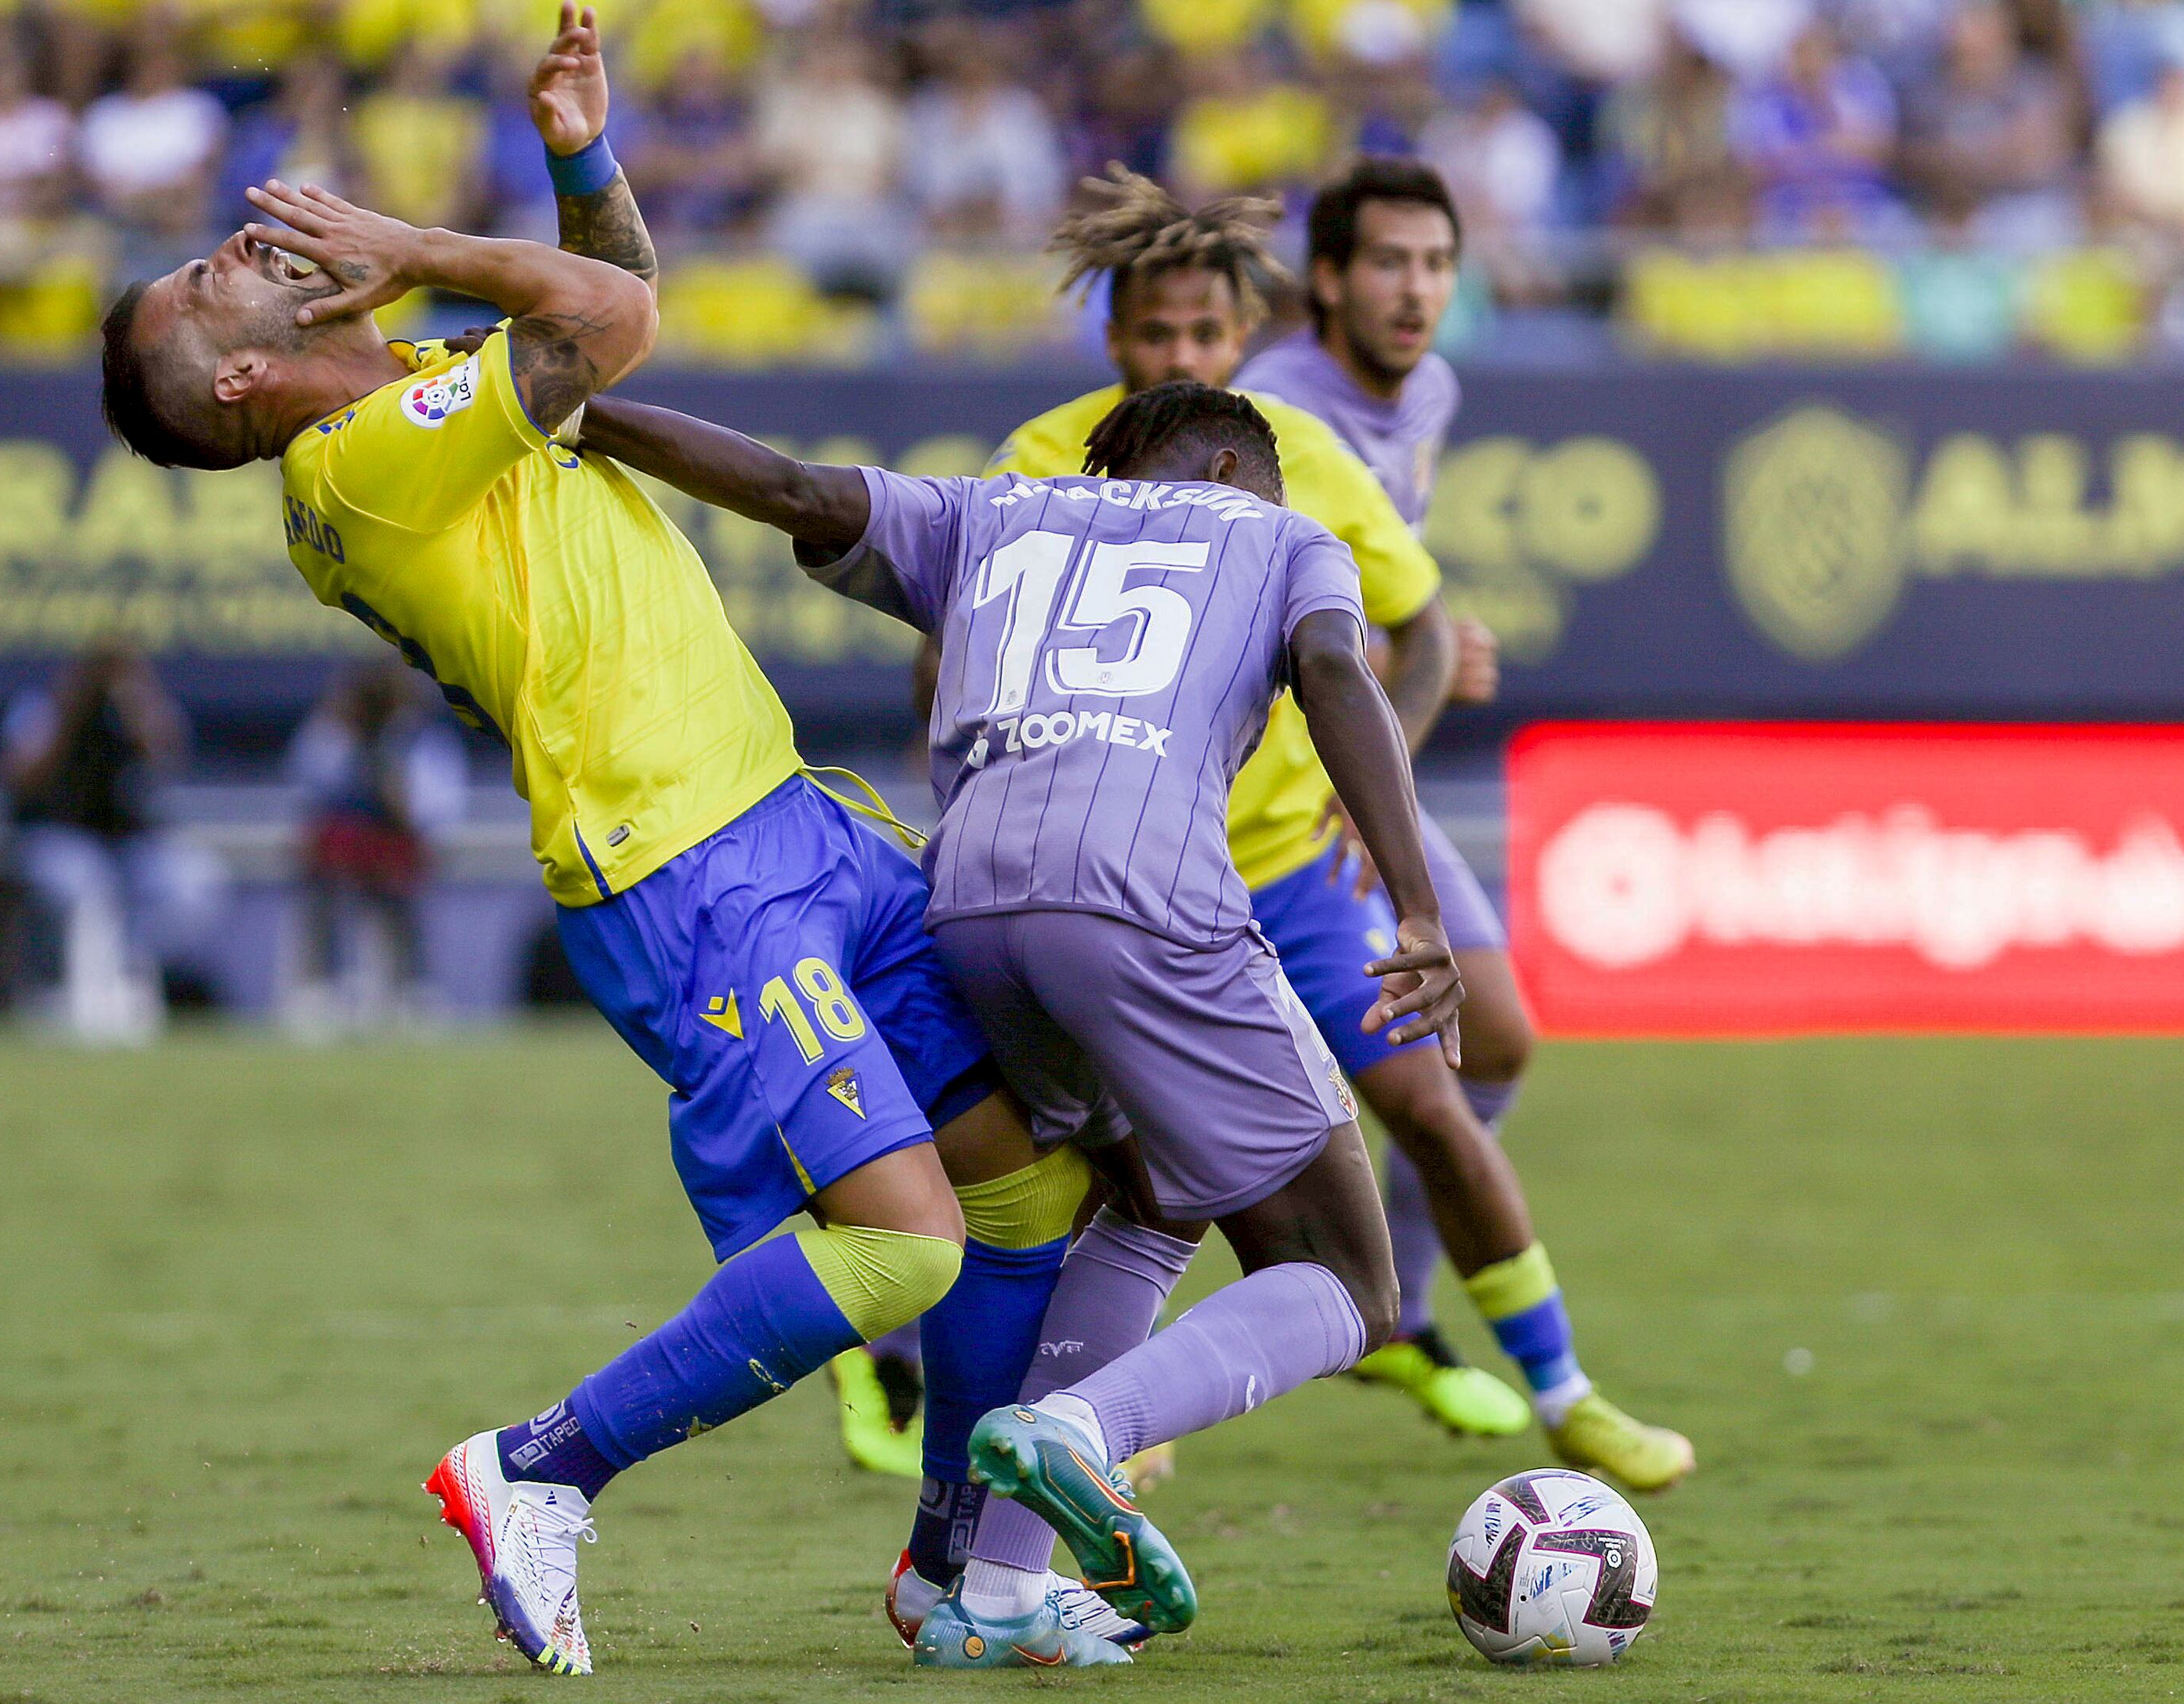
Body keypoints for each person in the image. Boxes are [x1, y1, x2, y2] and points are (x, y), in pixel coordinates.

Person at [94, 6, 1092, 1675]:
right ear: (244, 382)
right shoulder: (361, 464)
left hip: (785, 817)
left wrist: (576, 153)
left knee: (1028, 1180)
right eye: (212, 285)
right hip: (677, 868)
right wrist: (416, 240)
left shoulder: (422, 393)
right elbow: (611, 320)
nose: (244, 252)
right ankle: (539, 1468)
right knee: (907, 1236)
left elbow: (599, 291)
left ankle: (957, 1578)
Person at [577, 379, 1463, 1667]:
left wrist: (588, 414)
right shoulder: (1278, 534)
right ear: (1229, 462)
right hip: (1144, 893)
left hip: (970, 906)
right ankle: (1084, 1433)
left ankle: (992, 1584)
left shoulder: (992, 513)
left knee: (1151, 1201)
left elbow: (792, 490)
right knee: (1346, 1279)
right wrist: (1419, 903)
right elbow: (1336, 664)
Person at [1238, 156, 1693, 1489]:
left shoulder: (1427, 390)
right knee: (1165, 1127)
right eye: (1386, 262)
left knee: (1493, 1033)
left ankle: (1404, 1304)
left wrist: (1405, 664)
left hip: (1354, 777)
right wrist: (1369, 687)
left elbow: (1379, 597)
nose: (1416, 289)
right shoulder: (1269, 413)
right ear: (1326, 280)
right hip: (1270, 795)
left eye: (1435, 264)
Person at [0, 636, 227, 1044]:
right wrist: (72, 709)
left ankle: (133, 978)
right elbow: (19, 779)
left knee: (196, 881)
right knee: (85, 882)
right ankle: (80, 993)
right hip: (61, 836)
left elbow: (169, 758)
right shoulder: (44, 708)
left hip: (130, 843)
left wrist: (135, 702)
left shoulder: (140, 708)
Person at [284, 659, 468, 1033]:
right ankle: (322, 986)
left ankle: (413, 988)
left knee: (402, 877)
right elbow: (310, 792)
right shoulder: (331, 731)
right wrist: (352, 744)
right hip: (345, 847)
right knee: (329, 862)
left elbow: (435, 810)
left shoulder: (421, 739)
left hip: (396, 847)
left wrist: (395, 782)